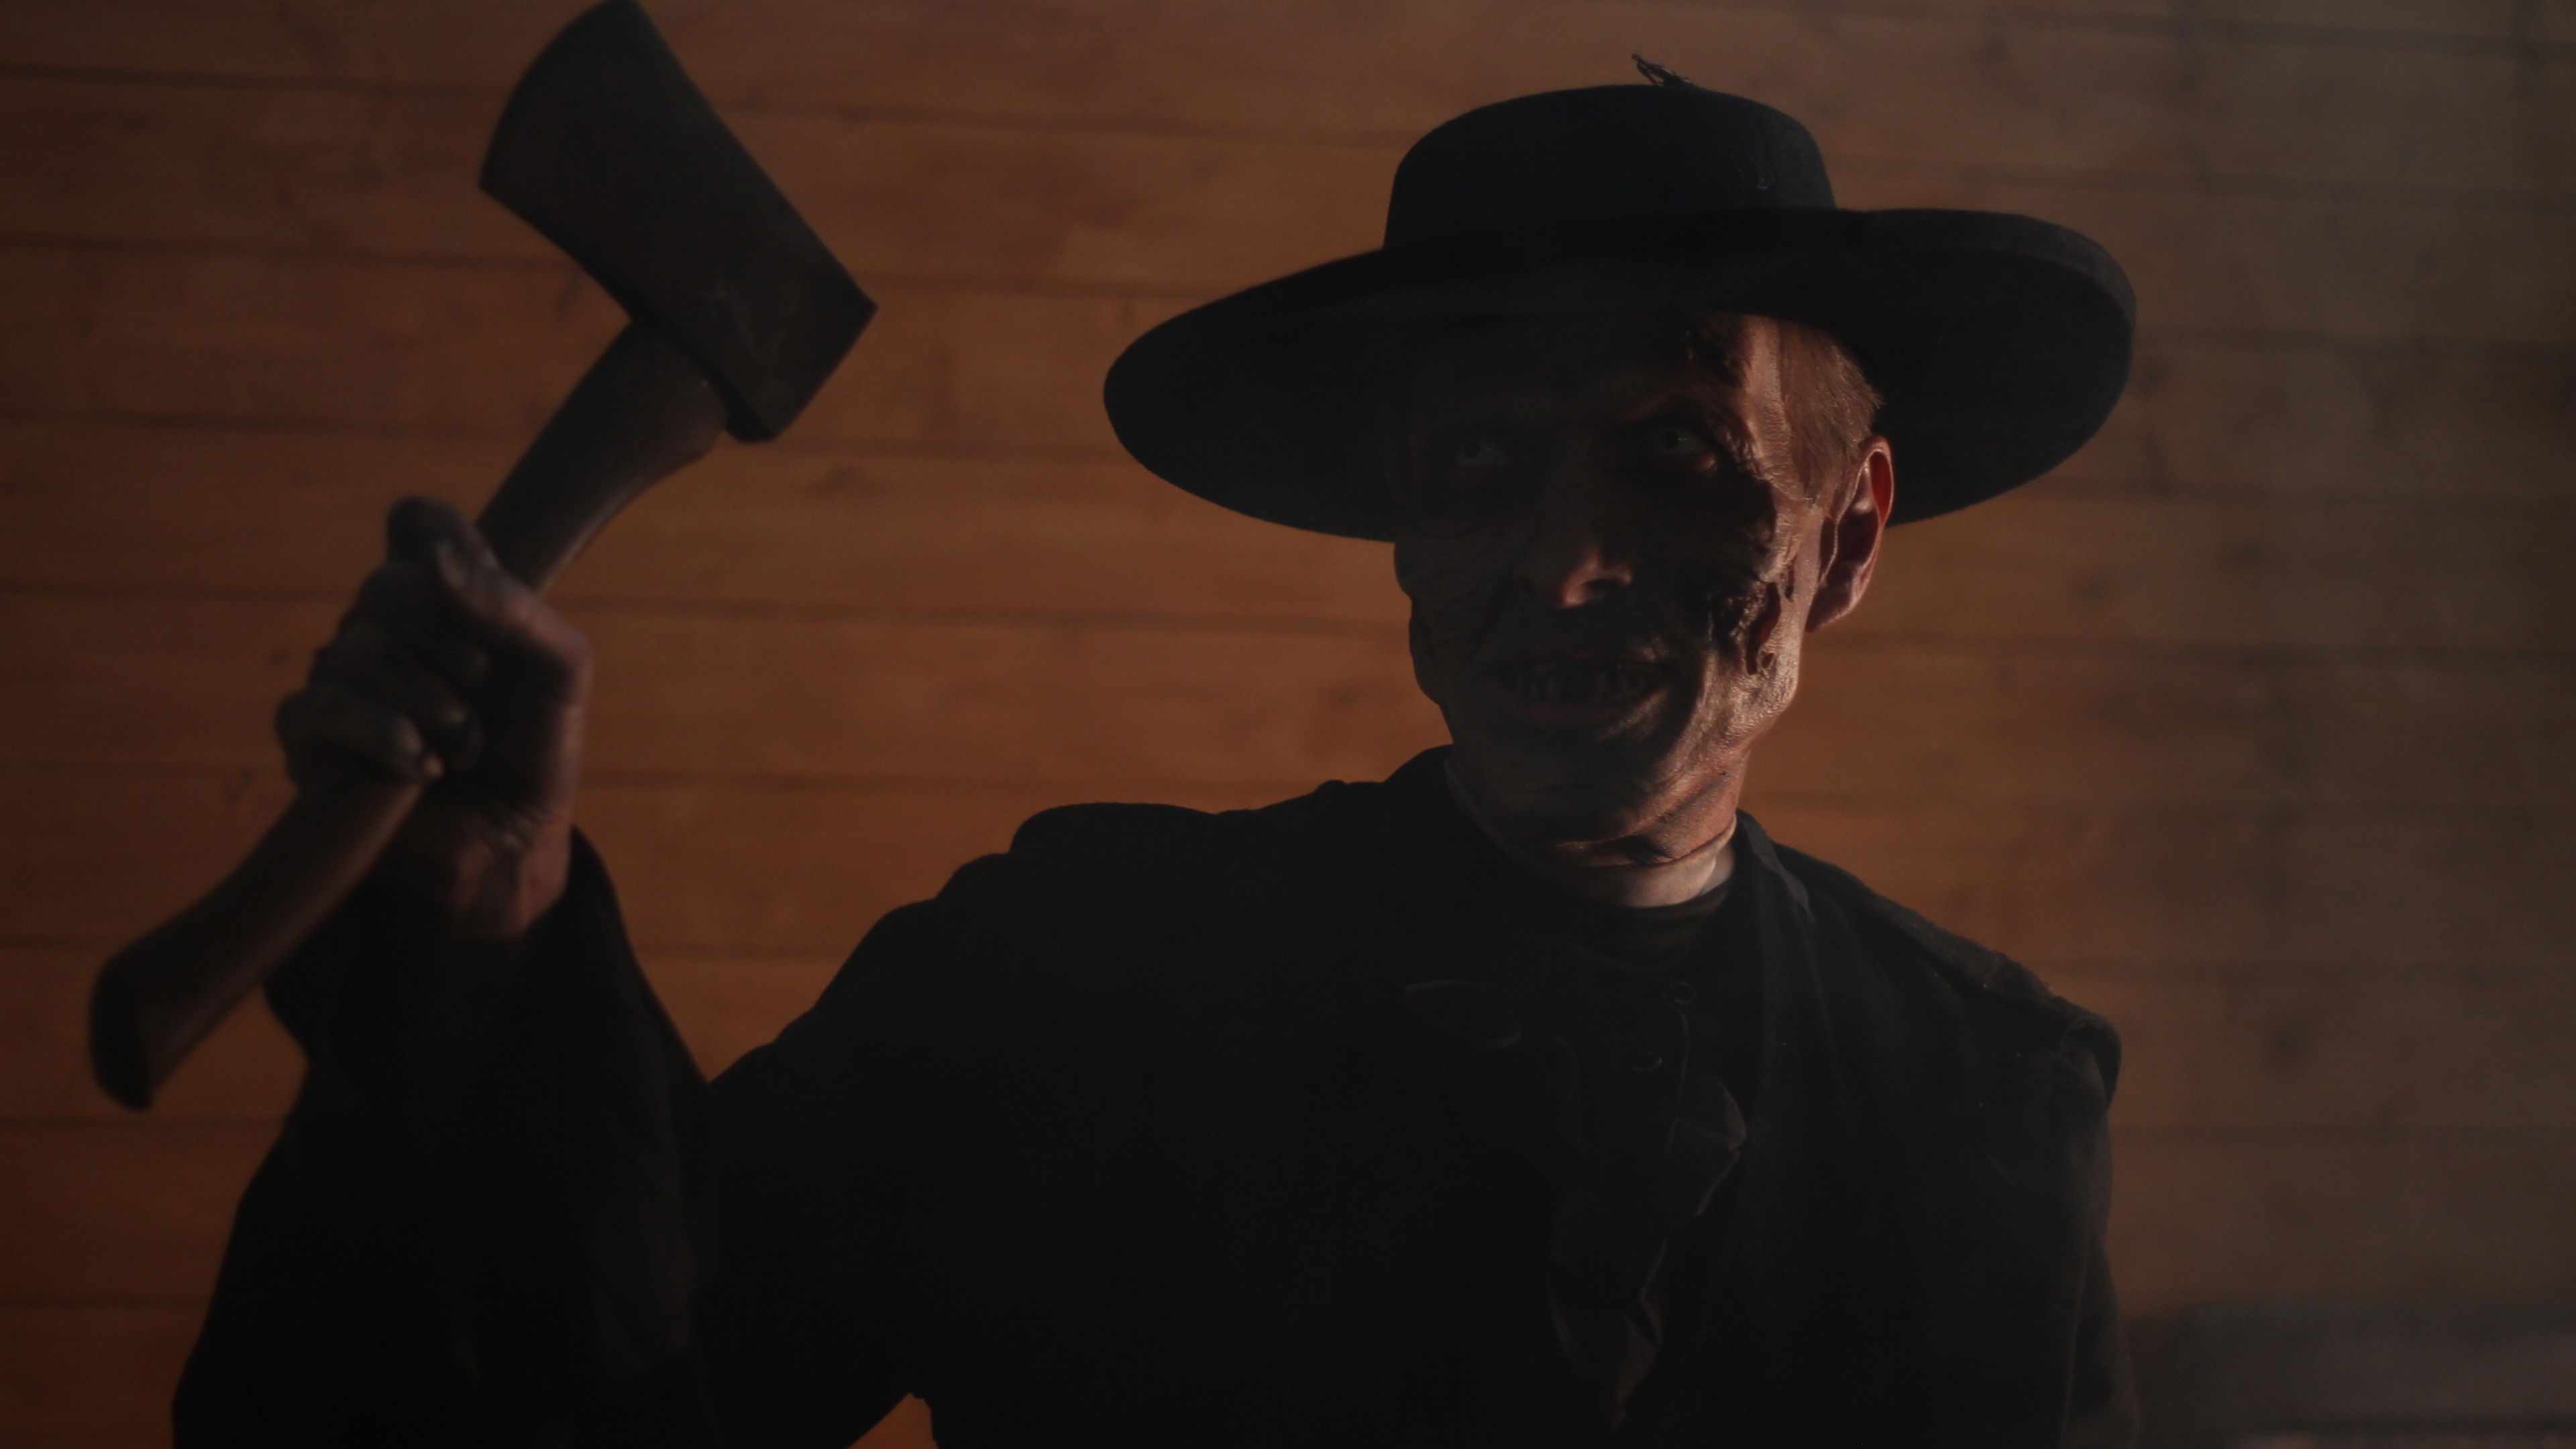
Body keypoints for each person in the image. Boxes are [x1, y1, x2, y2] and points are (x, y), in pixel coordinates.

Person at [176, 68, 2139, 1448]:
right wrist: (480, 956)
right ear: (1405, 515)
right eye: (1479, 460)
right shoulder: (1074, 975)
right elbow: (622, 1397)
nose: (1559, 566)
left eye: (1678, 454)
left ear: (1847, 533)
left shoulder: (1988, 1092)